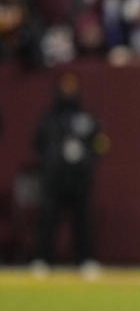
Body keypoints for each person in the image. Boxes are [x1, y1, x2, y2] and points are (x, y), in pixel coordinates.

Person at [32, 72, 107, 274]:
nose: (68, 89)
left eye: (72, 85)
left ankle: (85, 260)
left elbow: (99, 144)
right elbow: (38, 144)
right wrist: (51, 160)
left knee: (82, 220)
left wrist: (86, 157)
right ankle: (43, 259)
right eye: (65, 85)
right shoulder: (49, 117)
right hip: (55, 178)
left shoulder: (86, 117)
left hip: (79, 178)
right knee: (48, 220)